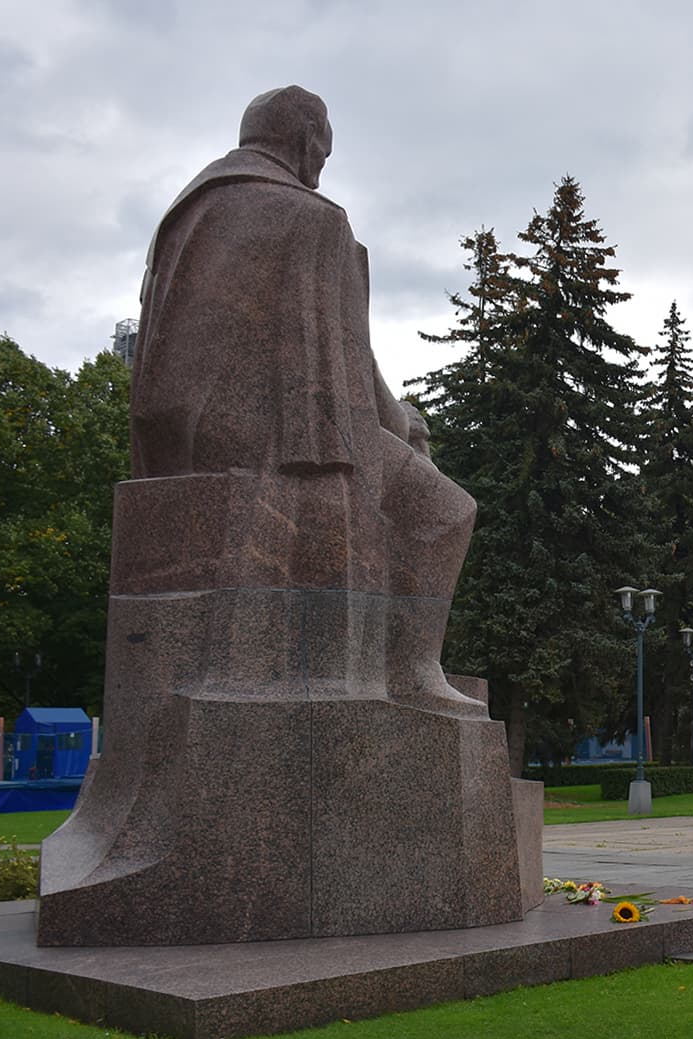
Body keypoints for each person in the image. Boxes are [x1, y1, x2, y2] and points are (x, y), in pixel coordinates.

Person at [129, 86, 479, 717]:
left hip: (186, 441)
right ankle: (413, 670)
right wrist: (403, 425)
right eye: (323, 146)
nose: (323, 163)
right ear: (304, 139)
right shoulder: (312, 218)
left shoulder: (187, 216)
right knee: (445, 510)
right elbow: (337, 360)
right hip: (284, 438)